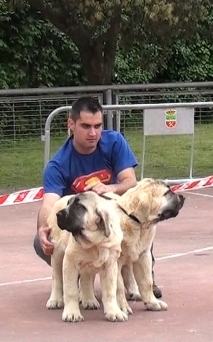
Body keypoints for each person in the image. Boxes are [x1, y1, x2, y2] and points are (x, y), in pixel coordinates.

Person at [33, 96, 163, 298]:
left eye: (98, 126)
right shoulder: (57, 164)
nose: (93, 133)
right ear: (71, 124)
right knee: (40, 242)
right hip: (81, 223)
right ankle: (76, 272)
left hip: (113, 217)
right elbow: (49, 204)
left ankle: (145, 281)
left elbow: (130, 182)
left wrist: (108, 187)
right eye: (85, 126)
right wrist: (42, 228)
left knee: (139, 220)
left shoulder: (114, 142)